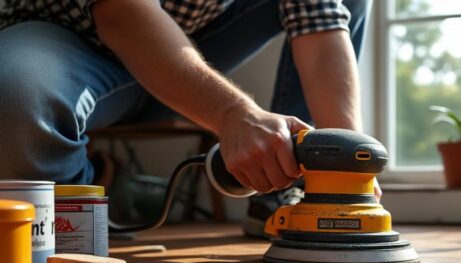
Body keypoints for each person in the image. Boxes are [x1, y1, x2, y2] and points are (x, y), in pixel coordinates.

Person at [0, 0, 376, 236]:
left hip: (189, 44)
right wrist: (233, 113)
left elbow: (320, 25)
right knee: (17, 93)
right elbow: (120, 12)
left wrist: (345, 167)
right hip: (68, 42)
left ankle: (280, 196)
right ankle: (77, 233)